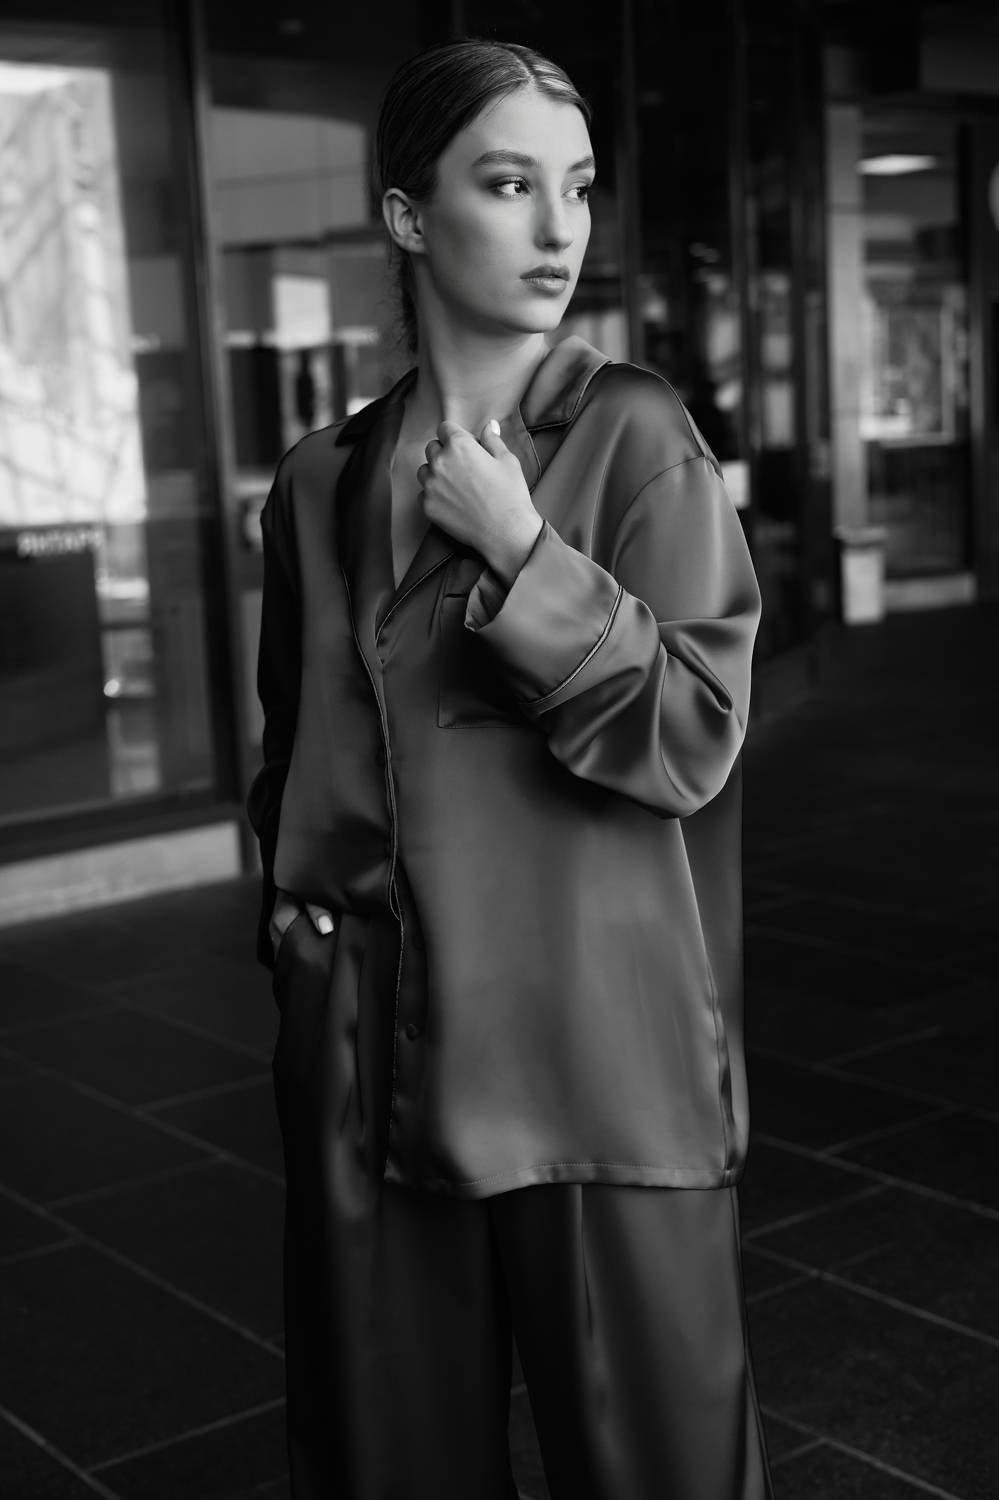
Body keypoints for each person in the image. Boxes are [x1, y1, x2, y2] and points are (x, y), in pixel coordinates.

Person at [248, 35, 773, 1500]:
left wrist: (524, 551)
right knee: (385, 1459)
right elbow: (294, 738)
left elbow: (693, 733)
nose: (559, 229)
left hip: (598, 1051)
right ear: (409, 215)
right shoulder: (317, 481)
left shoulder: (634, 434)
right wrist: (292, 922)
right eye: (507, 183)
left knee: (657, 1464)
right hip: (373, 1053)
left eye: (579, 187)